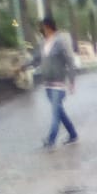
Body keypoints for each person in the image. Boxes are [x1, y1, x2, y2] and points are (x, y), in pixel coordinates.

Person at [33, 16, 78, 148]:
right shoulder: (43, 43)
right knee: (59, 111)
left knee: (55, 113)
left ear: (47, 27)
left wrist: (71, 80)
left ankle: (50, 139)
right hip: (48, 84)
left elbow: (70, 61)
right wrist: (22, 67)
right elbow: (35, 59)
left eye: (42, 27)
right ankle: (73, 134)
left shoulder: (60, 42)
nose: (41, 29)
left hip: (58, 84)